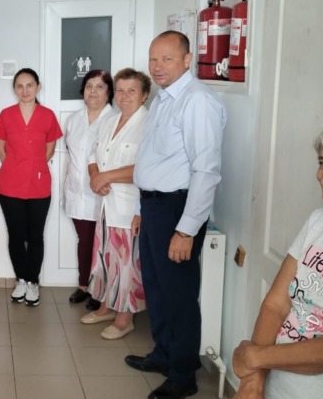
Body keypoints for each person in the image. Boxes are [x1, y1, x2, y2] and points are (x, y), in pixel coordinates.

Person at [124, 30, 226, 399]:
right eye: (153, 59)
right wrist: (141, 209)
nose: (158, 66)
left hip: (177, 209)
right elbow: (153, 159)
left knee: (179, 294)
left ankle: (183, 374)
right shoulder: (162, 99)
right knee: (156, 287)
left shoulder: (197, 101)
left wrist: (186, 230)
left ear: (187, 60)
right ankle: (164, 354)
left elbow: (206, 170)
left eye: (167, 59)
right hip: (154, 206)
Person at [231, 125, 323, 398]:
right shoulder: (318, 222)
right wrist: (254, 381)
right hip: (275, 385)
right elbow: (276, 304)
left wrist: (255, 358)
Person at [79, 68, 150, 340]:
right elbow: (92, 153)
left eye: (132, 90)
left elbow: (147, 169)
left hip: (131, 208)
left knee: (128, 264)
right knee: (106, 259)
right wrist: (95, 176)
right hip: (106, 205)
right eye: (120, 90)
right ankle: (106, 307)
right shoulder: (110, 121)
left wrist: (105, 177)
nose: (124, 96)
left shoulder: (148, 125)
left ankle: (125, 318)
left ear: (144, 95)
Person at [0, 68, 63, 306]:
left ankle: (33, 281)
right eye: (20, 86)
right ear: (14, 89)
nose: (25, 90)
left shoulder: (47, 115)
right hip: (10, 185)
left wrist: (33, 167)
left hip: (39, 185)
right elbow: (0, 148)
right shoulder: (6, 115)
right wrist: (16, 168)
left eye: (29, 85)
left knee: (35, 236)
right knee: (15, 235)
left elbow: (50, 150)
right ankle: (21, 279)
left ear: (37, 87)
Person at [63, 69, 117, 310]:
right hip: (77, 191)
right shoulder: (73, 120)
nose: (93, 91)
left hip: (106, 192)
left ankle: (101, 289)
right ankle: (84, 285)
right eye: (89, 87)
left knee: (104, 243)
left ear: (108, 92)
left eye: (100, 87)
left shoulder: (115, 119)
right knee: (84, 240)